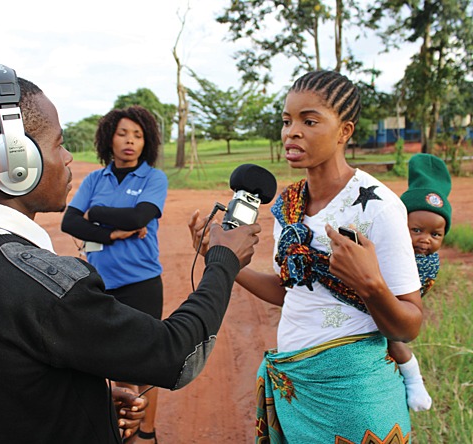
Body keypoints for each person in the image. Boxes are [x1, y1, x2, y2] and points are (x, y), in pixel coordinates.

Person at [0, 63, 261, 444]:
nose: (67, 158)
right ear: (15, 163)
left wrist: (87, 397)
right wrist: (223, 261)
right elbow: (177, 355)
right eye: (58, 143)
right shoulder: (50, 289)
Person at [189, 70, 423, 443]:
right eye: (286, 121)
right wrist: (222, 259)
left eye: (309, 121)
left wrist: (370, 284)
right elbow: (292, 292)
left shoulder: (379, 207)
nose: (291, 132)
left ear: (344, 131)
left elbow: (408, 326)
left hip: (355, 395)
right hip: (296, 389)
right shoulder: (287, 204)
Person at [61, 105, 167, 443]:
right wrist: (110, 232)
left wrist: (96, 213)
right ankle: (121, 433)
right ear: (110, 138)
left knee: (144, 366)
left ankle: (145, 434)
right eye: (123, 133)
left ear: (146, 141)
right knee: (109, 366)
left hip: (142, 284)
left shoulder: (153, 178)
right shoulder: (95, 178)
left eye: (137, 135)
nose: (130, 141)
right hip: (101, 286)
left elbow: (140, 218)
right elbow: (69, 222)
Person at [387, 153, 452, 412]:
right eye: (417, 230)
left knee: (393, 341)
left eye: (436, 234)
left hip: (395, 311)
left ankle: (414, 380)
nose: (426, 240)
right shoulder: (393, 245)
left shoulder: (426, 262)